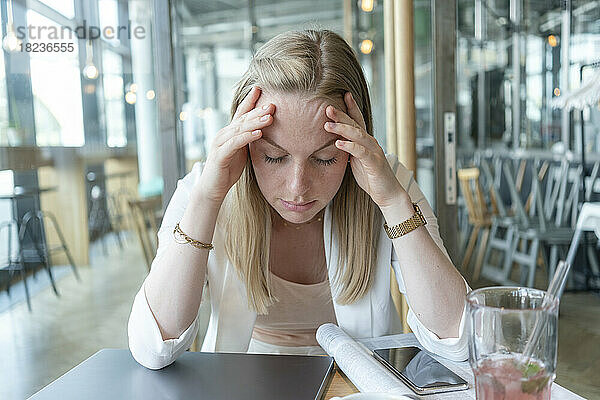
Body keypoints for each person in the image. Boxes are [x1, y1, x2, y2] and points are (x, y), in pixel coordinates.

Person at [127, 29, 469, 370]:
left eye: (324, 159)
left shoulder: (386, 180)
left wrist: (394, 203)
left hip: (360, 380)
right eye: (274, 157)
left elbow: (458, 339)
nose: (297, 188)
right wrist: (207, 200)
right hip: (247, 376)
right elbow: (154, 349)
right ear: (245, 143)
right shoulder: (206, 187)